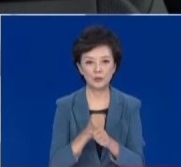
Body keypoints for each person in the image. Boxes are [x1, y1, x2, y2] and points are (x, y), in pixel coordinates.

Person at [49, 25, 145, 166]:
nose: (98, 69)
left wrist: (109, 142)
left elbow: (138, 163)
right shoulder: (65, 106)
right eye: (89, 62)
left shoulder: (131, 106)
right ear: (80, 67)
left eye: (105, 61)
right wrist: (86, 133)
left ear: (114, 66)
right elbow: (55, 163)